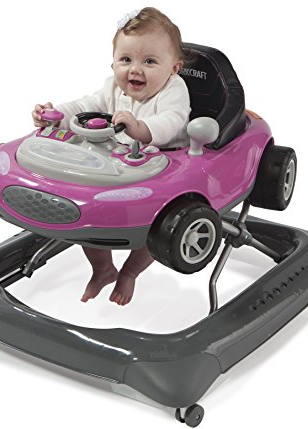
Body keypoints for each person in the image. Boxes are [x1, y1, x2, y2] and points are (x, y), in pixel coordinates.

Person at [31, 7, 190, 305]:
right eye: (126, 60)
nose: (135, 70)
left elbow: (172, 121)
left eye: (149, 61)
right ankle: (103, 269)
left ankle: (130, 272)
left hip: (168, 165)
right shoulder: (113, 87)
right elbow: (86, 106)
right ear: (113, 62)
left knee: (155, 222)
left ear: (174, 68)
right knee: (88, 213)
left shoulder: (174, 90)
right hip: (118, 162)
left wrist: (140, 128)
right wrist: (56, 115)